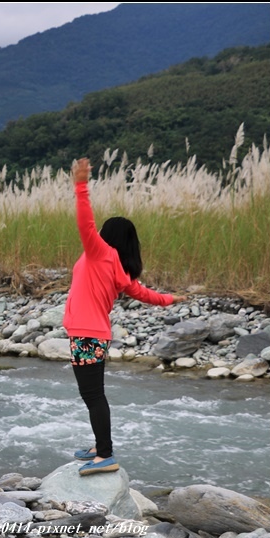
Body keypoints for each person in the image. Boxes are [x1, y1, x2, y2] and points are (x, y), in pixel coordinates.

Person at [63, 158, 187, 476]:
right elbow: (146, 294)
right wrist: (172, 299)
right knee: (92, 394)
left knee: (92, 395)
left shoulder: (100, 252)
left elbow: (84, 223)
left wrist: (80, 184)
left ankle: (105, 454)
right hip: (93, 334)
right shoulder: (120, 268)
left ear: (108, 236)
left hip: (88, 335)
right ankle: (99, 446)